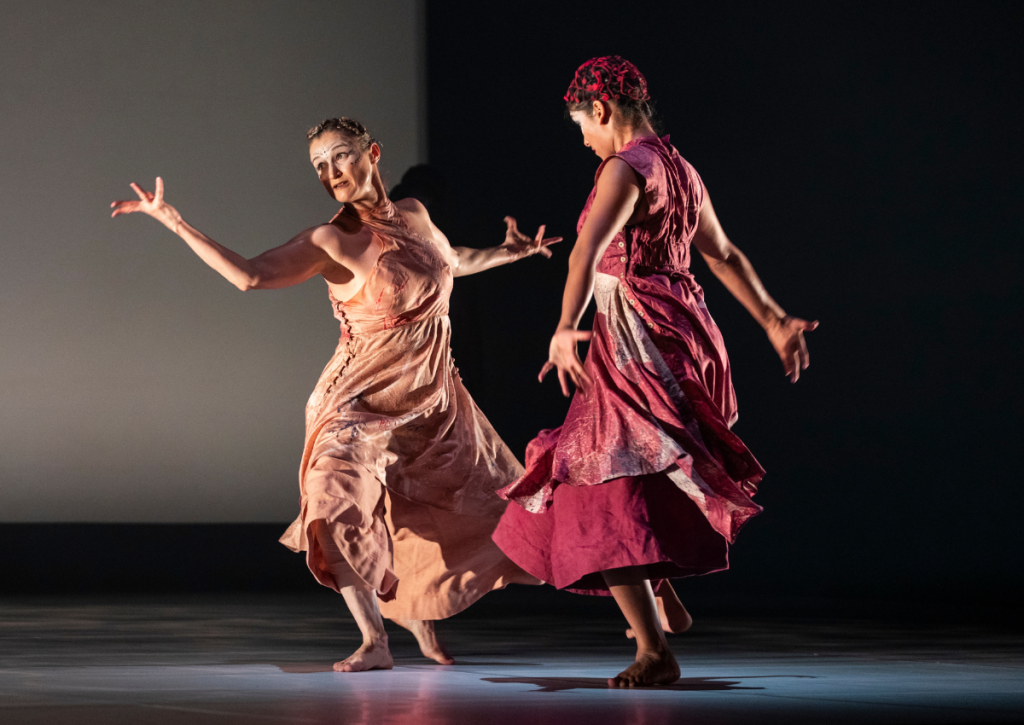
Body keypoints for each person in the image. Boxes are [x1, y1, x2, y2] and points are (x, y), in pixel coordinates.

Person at [111, 117, 557, 672]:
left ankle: (418, 610)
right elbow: (250, 275)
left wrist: (505, 254)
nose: (331, 173)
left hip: (432, 397)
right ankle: (375, 639)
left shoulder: (414, 215)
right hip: (359, 399)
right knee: (333, 497)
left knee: (487, 504)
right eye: (320, 165)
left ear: (372, 153)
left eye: (341, 157)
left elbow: (448, 262)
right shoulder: (331, 240)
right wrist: (175, 223)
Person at [493, 57, 818, 687]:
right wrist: (774, 319)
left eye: (580, 123)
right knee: (644, 468)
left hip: (636, 340)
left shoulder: (623, 168)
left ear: (605, 111)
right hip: (686, 334)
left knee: (599, 483)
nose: (582, 137)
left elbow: (587, 251)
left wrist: (565, 326)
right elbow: (722, 254)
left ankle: (653, 650)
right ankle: (657, 595)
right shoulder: (681, 169)